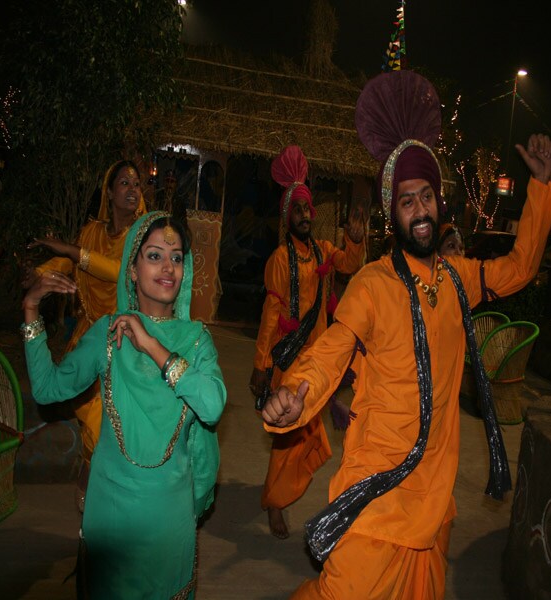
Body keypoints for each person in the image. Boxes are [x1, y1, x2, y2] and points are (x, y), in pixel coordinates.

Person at [261, 70, 551, 598]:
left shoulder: (457, 278)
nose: (420, 209)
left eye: (426, 197)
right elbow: (333, 348)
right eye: (407, 201)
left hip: (433, 494)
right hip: (377, 488)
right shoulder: (374, 284)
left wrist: (539, 188)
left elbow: (517, 268)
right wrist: (298, 390)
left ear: (439, 203)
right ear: (392, 213)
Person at [21, 212, 226, 597]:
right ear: (131, 270)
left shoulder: (197, 340)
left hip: (169, 519)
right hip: (110, 515)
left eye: (177, 257)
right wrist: (31, 310)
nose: (168, 267)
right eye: (154, 256)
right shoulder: (107, 333)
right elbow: (48, 390)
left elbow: (212, 407)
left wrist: (151, 345)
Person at [250, 145, 366, 539]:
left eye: (307, 209)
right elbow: (270, 314)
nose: (303, 215)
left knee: (308, 436)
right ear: (287, 217)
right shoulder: (280, 260)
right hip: (288, 364)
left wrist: (354, 241)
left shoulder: (324, 251)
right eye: (296, 210)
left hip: (320, 366)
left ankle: (283, 493)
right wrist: (261, 364)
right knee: (286, 439)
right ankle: (275, 502)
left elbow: (350, 266)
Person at [24, 160, 147, 510]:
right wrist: (40, 273)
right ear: (109, 191)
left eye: (136, 184)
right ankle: (92, 476)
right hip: (88, 339)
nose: (132, 189)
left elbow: (118, 272)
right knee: (94, 420)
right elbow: (68, 265)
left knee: (113, 425)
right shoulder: (92, 232)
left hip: (124, 341)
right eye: (123, 182)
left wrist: (69, 249)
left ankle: (95, 481)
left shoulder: (141, 236)